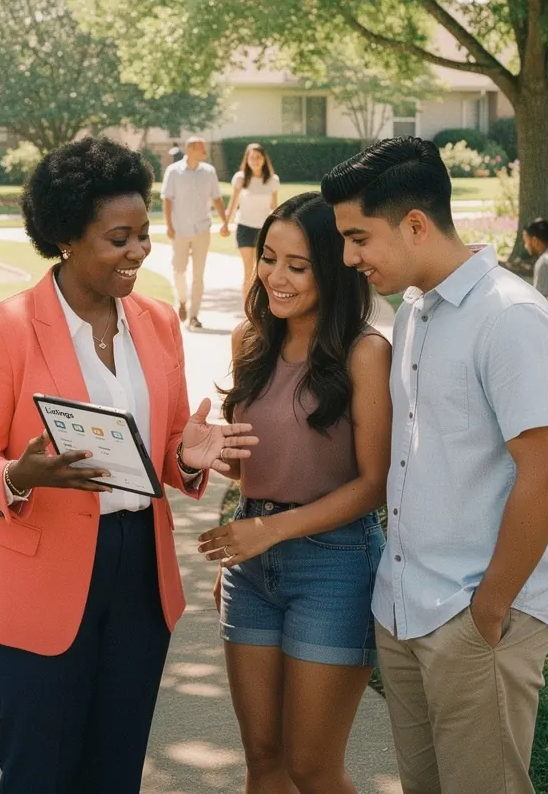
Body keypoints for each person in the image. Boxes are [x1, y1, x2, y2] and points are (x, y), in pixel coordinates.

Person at [0, 136, 257, 794]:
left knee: (115, 769)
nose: (139, 251)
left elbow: (167, 438)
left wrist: (187, 456)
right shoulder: (0, 329)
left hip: (138, 570)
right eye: (120, 238)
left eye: (144, 234)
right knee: (41, 771)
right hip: (36, 577)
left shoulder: (156, 320)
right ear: (66, 238)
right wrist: (16, 477)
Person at [322, 137, 548, 794]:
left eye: (358, 237)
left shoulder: (512, 317)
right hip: (406, 608)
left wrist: (488, 610)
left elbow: (547, 473)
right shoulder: (414, 312)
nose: (349, 257)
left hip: (476, 616)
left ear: (414, 224)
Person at [199, 192, 391, 794]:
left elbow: (373, 484)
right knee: (263, 759)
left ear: (331, 270)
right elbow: (255, 466)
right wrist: (209, 460)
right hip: (250, 568)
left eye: (297, 266)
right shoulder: (248, 340)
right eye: (269, 258)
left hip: (334, 565)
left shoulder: (365, 352)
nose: (275, 278)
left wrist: (270, 530)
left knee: (312, 766)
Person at [161, 135, 228, 330]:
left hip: (202, 229)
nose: (205, 153)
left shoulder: (209, 172)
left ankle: (194, 316)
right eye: (202, 149)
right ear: (190, 149)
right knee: (179, 271)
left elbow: (217, 198)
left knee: (198, 275)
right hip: (180, 229)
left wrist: (224, 221)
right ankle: (182, 301)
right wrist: (168, 225)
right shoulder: (173, 172)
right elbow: (167, 199)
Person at [222, 142, 281, 298]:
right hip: (244, 228)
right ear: (246, 160)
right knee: (248, 270)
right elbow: (233, 203)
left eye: (258, 157)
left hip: (263, 230)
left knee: (262, 270)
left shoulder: (272, 180)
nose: (255, 160)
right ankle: (248, 310)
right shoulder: (240, 179)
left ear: (264, 159)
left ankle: (263, 306)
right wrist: (226, 223)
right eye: (252, 157)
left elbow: (275, 207)